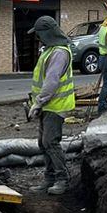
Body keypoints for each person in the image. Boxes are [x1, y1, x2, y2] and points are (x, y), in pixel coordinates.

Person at [26, 15, 76, 195]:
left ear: (46, 34)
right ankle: (49, 178)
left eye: (38, 34)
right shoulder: (50, 50)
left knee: (50, 142)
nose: (37, 37)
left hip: (55, 106)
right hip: (48, 105)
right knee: (43, 142)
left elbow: (52, 81)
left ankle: (62, 179)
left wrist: (38, 103)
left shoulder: (59, 53)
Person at [95, 18, 107, 114]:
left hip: (102, 57)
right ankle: (102, 105)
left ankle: (103, 103)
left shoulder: (102, 28)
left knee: (106, 83)